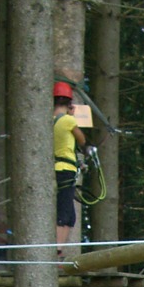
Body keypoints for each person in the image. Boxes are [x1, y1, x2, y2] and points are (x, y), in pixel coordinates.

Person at [53, 81, 89, 254]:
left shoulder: (51, 121)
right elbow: (81, 140)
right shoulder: (68, 121)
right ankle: (57, 249)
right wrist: (73, 116)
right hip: (66, 170)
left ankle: (59, 248)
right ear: (69, 104)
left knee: (70, 216)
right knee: (65, 212)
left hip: (58, 168)